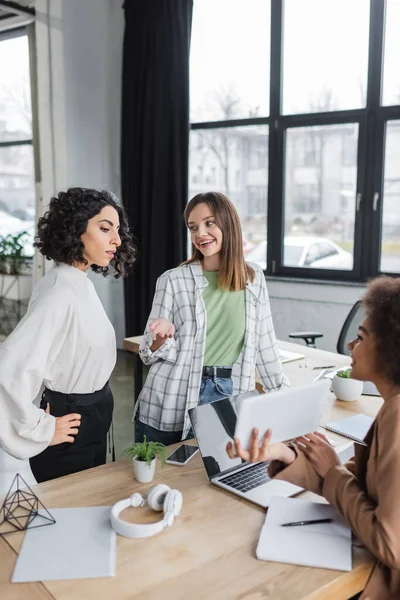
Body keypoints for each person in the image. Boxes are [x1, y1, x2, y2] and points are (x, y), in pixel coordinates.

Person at [227, 275, 400, 600]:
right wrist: (285, 454)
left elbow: (391, 545)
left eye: (360, 338)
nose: (350, 345)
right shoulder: (390, 406)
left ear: (389, 349)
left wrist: (333, 470)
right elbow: (363, 484)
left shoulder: (397, 416)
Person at [0, 188, 136, 482]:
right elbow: (10, 369)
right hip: (71, 422)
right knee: (69, 516)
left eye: (117, 230)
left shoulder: (78, 281)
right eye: (104, 228)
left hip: (94, 415)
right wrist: (42, 428)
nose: (117, 239)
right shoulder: (59, 291)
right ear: (75, 229)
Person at [135, 191, 288, 444]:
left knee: (215, 479)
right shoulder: (173, 280)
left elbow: (265, 346)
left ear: (229, 223)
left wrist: (284, 401)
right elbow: (146, 353)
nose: (199, 234)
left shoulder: (253, 278)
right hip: (171, 396)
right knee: (161, 481)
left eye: (209, 223)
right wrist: (160, 337)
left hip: (229, 396)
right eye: (193, 227)